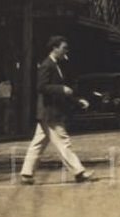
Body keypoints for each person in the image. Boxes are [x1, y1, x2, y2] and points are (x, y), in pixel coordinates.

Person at [20, 36, 93, 185]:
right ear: (55, 48)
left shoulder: (56, 65)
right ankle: (79, 171)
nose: (66, 50)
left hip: (48, 112)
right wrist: (61, 88)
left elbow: (62, 92)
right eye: (64, 48)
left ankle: (27, 173)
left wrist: (77, 100)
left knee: (38, 143)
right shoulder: (47, 65)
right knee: (63, 141)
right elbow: (41, 87)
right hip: (50, 112)